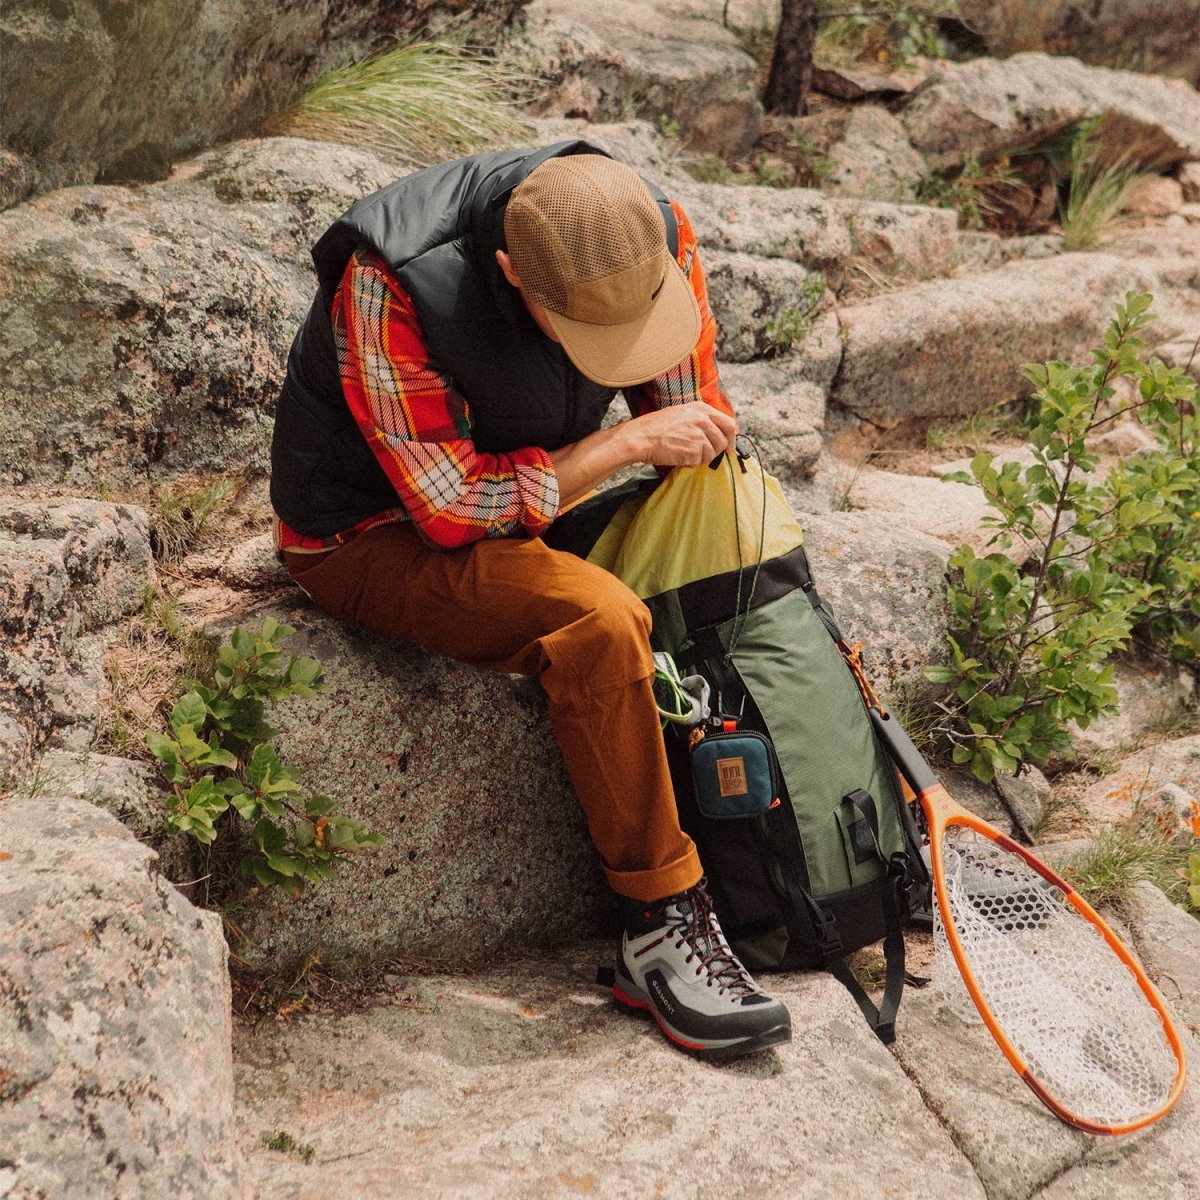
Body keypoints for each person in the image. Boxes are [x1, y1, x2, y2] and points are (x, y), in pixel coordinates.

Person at [270, 140, 791, 1058]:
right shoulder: (391, 281)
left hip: (525, 500)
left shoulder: (646, 229)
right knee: (600, 620)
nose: (619, 351)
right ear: (512, 273)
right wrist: (619, 450)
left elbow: (691, 414)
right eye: (591, 332)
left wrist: (696, 469)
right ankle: (658, 923)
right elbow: (451, 511)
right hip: (373, 531)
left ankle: (802, 830)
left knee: (746, 527)